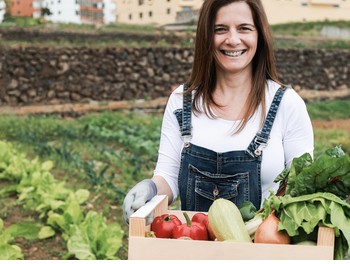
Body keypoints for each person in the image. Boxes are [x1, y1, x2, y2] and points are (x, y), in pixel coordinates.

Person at [123, 0, 314, 223]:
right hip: (193, 247)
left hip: (264, 249)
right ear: (206, 36)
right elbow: (169, 176)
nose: (233, 40)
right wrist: (152, 189)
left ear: (260, 35)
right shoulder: (182, 101)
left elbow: (302, 188)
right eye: (220, 29)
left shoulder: (287, 104)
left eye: (244, 28)